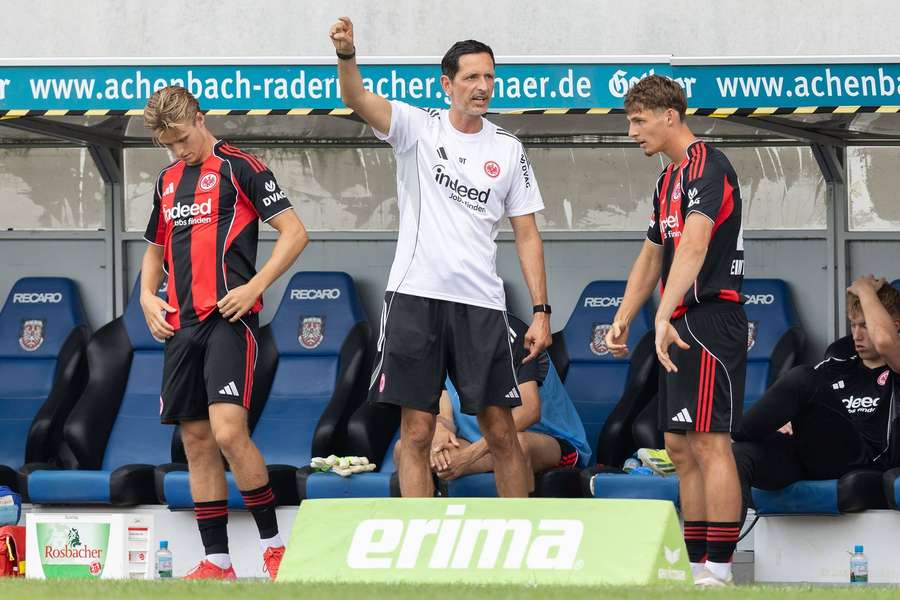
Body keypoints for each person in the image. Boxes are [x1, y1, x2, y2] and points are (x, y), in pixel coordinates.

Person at [329, 17, 551, 498]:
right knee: (416, 432)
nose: (483, 87)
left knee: (500, 431)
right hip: (415, 298)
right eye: (472, 77)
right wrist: (348, 56)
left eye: (489, 77)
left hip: (481, 306)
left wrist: (540, 310)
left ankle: (521, 551)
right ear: (447, 84)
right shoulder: (417, 127)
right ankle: (417, 552)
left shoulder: (508, 149)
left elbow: (527, 234)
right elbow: (356, 99)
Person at [140, 86, 308, 580]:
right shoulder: (167, 180)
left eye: (182, 138)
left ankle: (275, 548)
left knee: (229, 432)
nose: (178, 150)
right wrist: (148, 296)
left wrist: (255, 285)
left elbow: (296, 232)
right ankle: (218, 560)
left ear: (199, 117)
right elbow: (154, 249)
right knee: (195, 440)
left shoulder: (242, 167)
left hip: (230, 321)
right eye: (168, 144)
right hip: (181, 325)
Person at [605, 75, 747, 586]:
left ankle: (721, 568)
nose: (631, 132)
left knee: (711, 443)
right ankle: (693, 565)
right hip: (679, 319)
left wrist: (663, 314)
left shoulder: (711, 166)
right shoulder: (667, 180)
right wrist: (625, 315)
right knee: (679, 446)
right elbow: (653, 254)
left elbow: (694, 245)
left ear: (671, 116)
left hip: (711, 319)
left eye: (638, 121)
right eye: (629, 121)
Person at [733, 278, 900, 521]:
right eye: (852, 326)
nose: (857, 335)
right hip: (811, 455)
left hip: (863, 459)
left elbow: (886, 341)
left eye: (865, 326)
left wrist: (864, 289)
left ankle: (731, 430)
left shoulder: (895, 370)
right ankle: (721, 553)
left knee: (802, 376)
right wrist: (784, 418)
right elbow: (800, 399)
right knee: (739, 455)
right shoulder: (835, 365)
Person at [394, 317, 592, 492]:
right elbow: (445, 415)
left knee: (517, 445)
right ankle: (427, 528)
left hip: (550, 442)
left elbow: (530, 411)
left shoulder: (513, 333)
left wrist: (467, 457)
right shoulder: (439, 342)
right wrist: (439, 432)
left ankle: (520, 525)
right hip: (479, 442)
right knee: (404, 448)